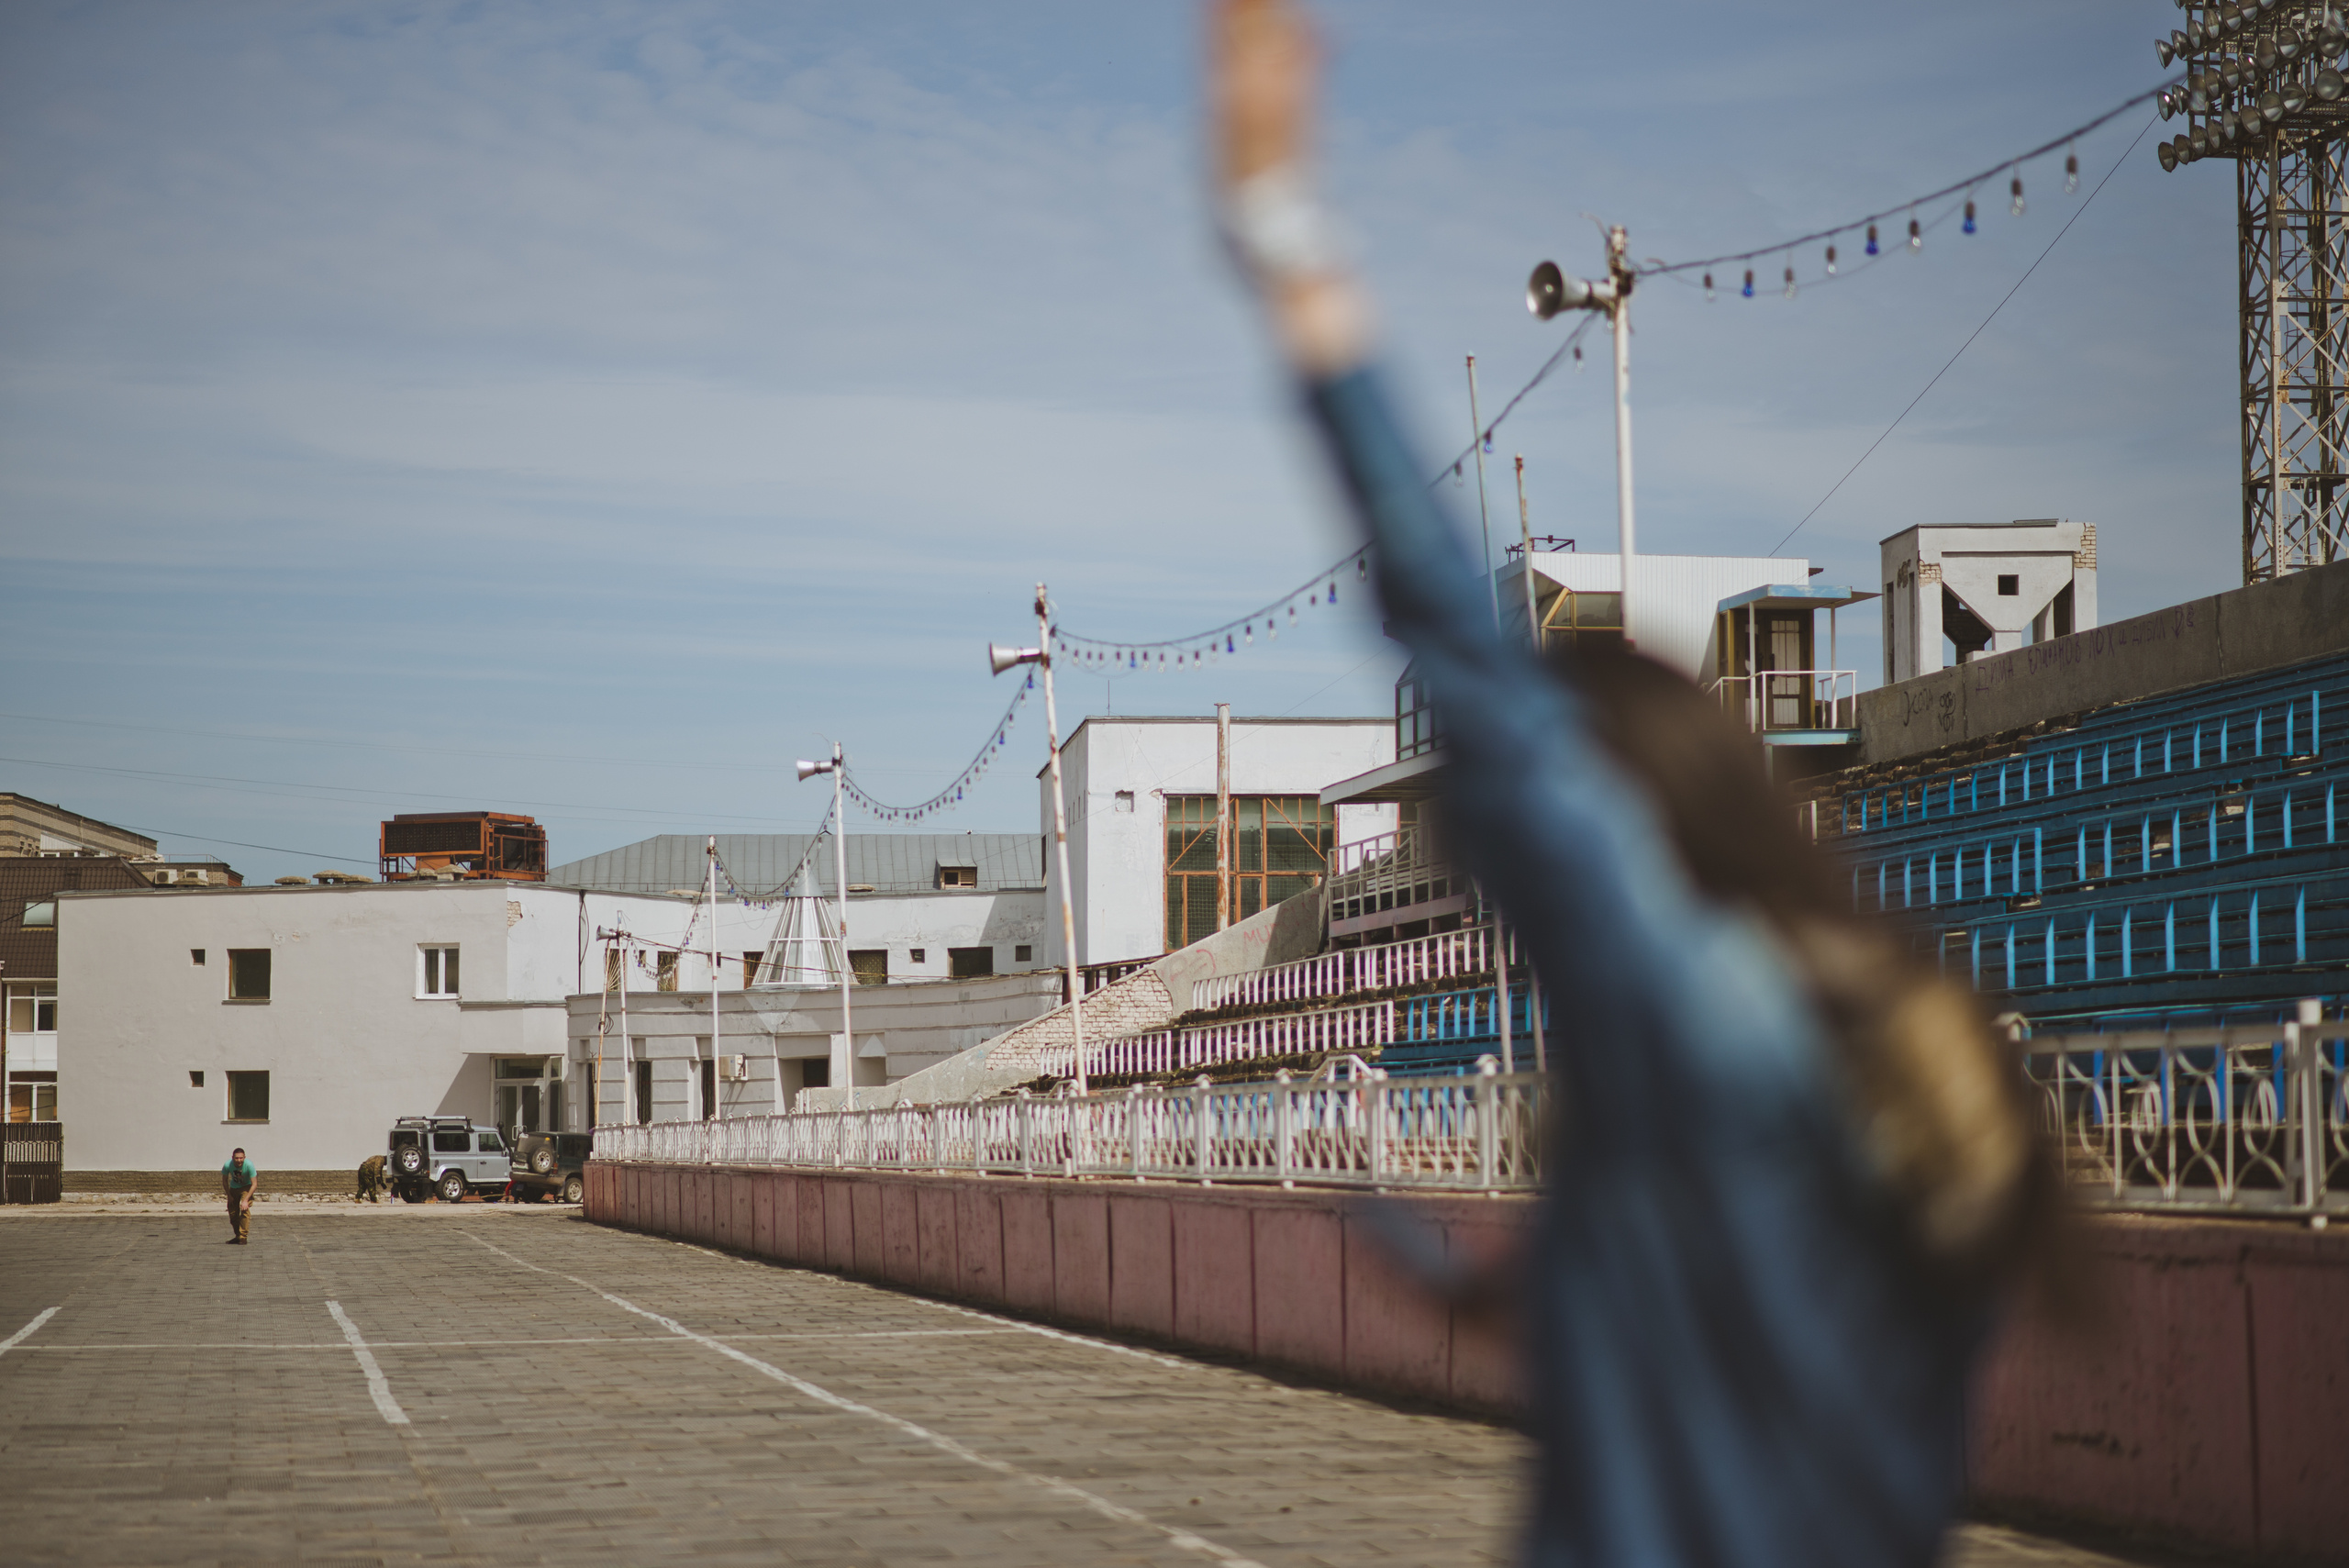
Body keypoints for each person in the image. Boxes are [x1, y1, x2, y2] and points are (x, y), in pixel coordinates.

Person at [1205, 5, 2054, 1563]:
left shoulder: (1692, 1007)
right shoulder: (1894, 1051)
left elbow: (1459, 634)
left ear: (1617, 803)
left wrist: (1280, 233)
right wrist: (1489, 1279)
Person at [221, 1146, 258, 1244]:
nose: (239, 1160)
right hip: (234, 1188)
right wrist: (229, 1195)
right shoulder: (228, 1165)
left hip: (246, 1187)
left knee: (244, 1210)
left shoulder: (249, 1165)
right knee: (233, 1213)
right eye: (237, 1158)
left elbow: (254, 1184)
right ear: (233, 1157)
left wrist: (246, 1200)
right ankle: (238, 1235)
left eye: (241, 1158)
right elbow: (224, 1181)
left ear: (244, 1157)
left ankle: (243, 1237)